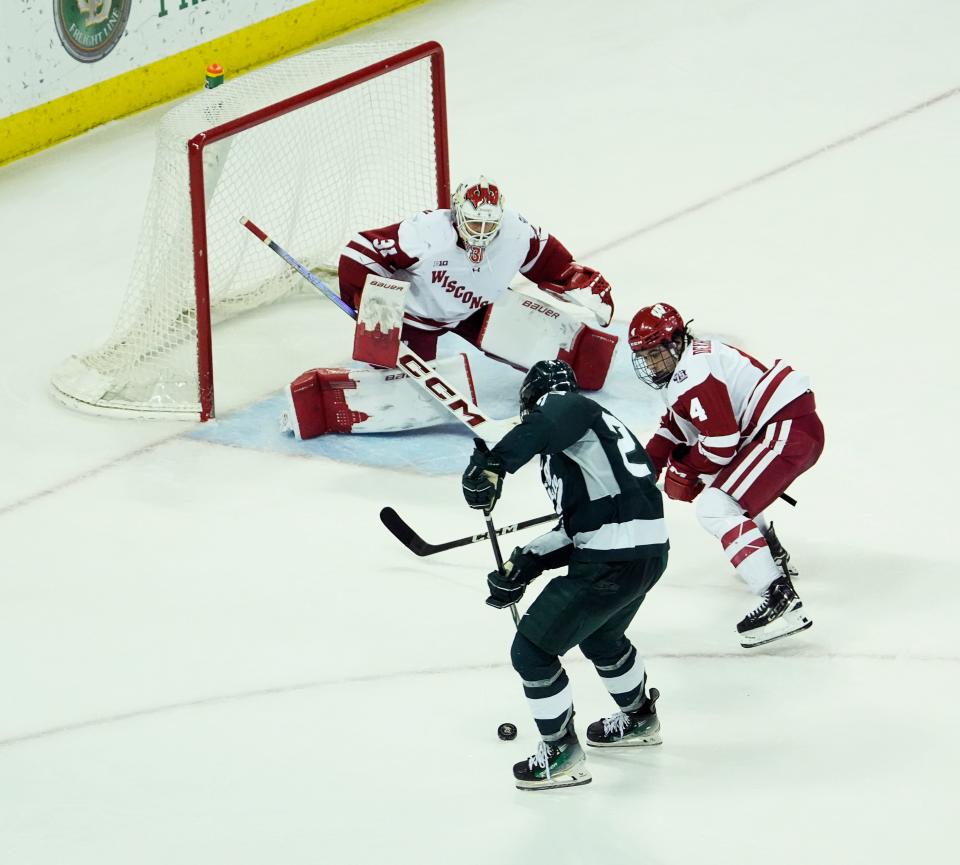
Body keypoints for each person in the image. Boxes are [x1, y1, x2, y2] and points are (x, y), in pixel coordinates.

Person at [461, 359, 669, 790]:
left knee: (532, 652)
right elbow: (581, 525)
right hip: (646, 553)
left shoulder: (566, 407)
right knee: (602, 637)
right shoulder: (592, 438)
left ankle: (561, 754)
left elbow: (549, 418)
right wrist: (526, 563)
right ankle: (637, 719)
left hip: (613, 558)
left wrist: (494, 464)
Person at [628, 302, 824, 648]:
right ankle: (770, 555)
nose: (650, 363)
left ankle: (779, 599)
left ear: (675, 341)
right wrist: (645, 466)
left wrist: (682, 468)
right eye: (644, 357)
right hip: (788, 429)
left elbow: (720, 445)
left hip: (785, 432)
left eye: (654, 353)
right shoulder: (692, 362)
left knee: (716, 507)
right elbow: (679, 426)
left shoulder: (693, 372)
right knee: (725, 492)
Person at [337, 175, 618, 382]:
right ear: (458, 214)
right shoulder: (427, 231)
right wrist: (373, 307)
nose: (482, 233)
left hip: (475, 307)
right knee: (406, 392)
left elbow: (551, 262)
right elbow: (358, 254)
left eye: (489, 225)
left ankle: (582, 361)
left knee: (580, 360)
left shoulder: (516, 232)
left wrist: (576, 279)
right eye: (474, 224)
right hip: (415, 318)